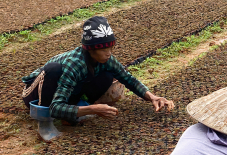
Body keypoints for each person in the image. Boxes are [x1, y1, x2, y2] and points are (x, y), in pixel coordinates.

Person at [21, 15, 174, 128]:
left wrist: (152, 97)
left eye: (111, 48)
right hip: (36, 92)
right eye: (104, 49)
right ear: (90, 49)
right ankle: (45, 120)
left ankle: (74, 111)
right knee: (53, 70)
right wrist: (93, 109)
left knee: (107, 76)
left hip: (66, 89)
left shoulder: (107, 59)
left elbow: (128, 79)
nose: (109, 53)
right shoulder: (74, 64)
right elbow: (55, 107)